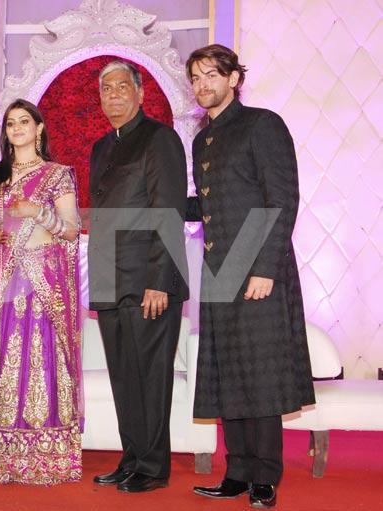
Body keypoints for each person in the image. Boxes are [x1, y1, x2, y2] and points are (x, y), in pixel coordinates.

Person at [186, 44, 315, 509]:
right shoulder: (202, 139)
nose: (203, 85)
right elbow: (210, 204)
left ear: (233, 79)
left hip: (259, 268)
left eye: (211, 75)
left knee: (260, 377)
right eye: (196, 78)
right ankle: (236, 472)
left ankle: (265, 476)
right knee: (227, 373)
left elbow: (282, 199)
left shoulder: (263, 124)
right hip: (220, 269)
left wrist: (264, 269)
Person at [0, 99, 83, 485]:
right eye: (11, 123)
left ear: (39, 127)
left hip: (40, 282)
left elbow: (72, 228)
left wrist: (38, 213)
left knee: (38, 358)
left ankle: (44, 453)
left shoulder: (57, 175)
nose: (17, 128)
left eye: (24, 121)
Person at [87, 60, 189, 493]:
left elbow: (169, 212)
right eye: (105, 88)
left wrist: (158, 280)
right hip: (110, 280)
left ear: (141, 92)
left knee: (150, 376)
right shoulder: (100, 147)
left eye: (122, 86)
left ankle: (153, 466)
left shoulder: (160, 139)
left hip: (149, 281)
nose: (113, 94)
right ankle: (131, 458)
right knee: (124, 375)